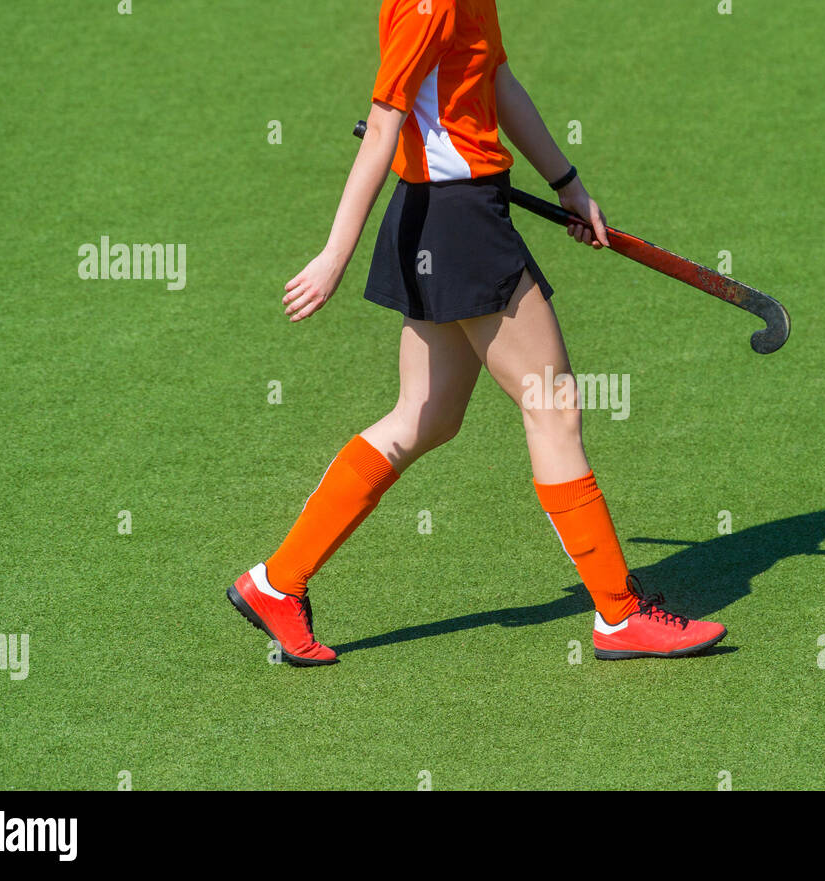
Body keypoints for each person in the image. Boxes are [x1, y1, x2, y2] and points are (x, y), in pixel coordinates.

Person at [227, 0, 726, 666]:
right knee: (552, 406)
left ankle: (275, 582)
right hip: (455, 219)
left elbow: (495, 79)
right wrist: (333, 255)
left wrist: (568, 184)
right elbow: (383, 126)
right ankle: (620, 613)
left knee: (424, 416)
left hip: (450, 212)